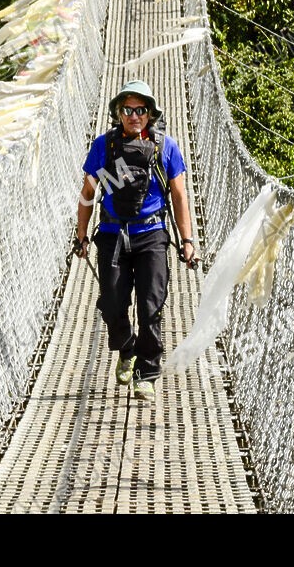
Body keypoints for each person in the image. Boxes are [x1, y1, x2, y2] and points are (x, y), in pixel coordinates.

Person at [75, 80, 197, 402]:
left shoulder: (165, 147)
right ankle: (126, 349)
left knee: (151, 306)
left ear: (150, 114)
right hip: (113, 235)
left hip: (151, 235)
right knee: (113, 305)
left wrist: (187, 240)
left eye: (140, 110)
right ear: (118, 113)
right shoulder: (104, 146)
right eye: (128, 110)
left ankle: (147, 372)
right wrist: (82, 235)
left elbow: (179, 194)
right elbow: (88, 194)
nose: (134, 116)